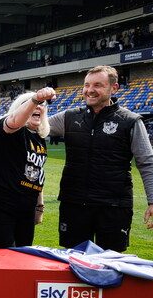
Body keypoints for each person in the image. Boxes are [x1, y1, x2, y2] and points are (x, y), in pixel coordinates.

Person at [47, 66, 153, 251]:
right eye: (87, 85)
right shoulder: (69, 117)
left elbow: (147, 162)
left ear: (114, 88)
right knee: (72, 263)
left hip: (114, 206)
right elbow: (33, 125)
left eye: (98, 85)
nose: (90, 90)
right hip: (74, 204)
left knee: (111, 266)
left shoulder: (130, 121)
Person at [0, 88, 55, 248]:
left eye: (42, 105)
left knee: (23, 257)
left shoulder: (38, 137)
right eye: (32, 104)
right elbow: (14, 120)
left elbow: (37, 173)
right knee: (5, 257)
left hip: (26, 208)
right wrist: (35, 99)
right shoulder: (9, 129)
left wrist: (39, 207)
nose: (39, 106)